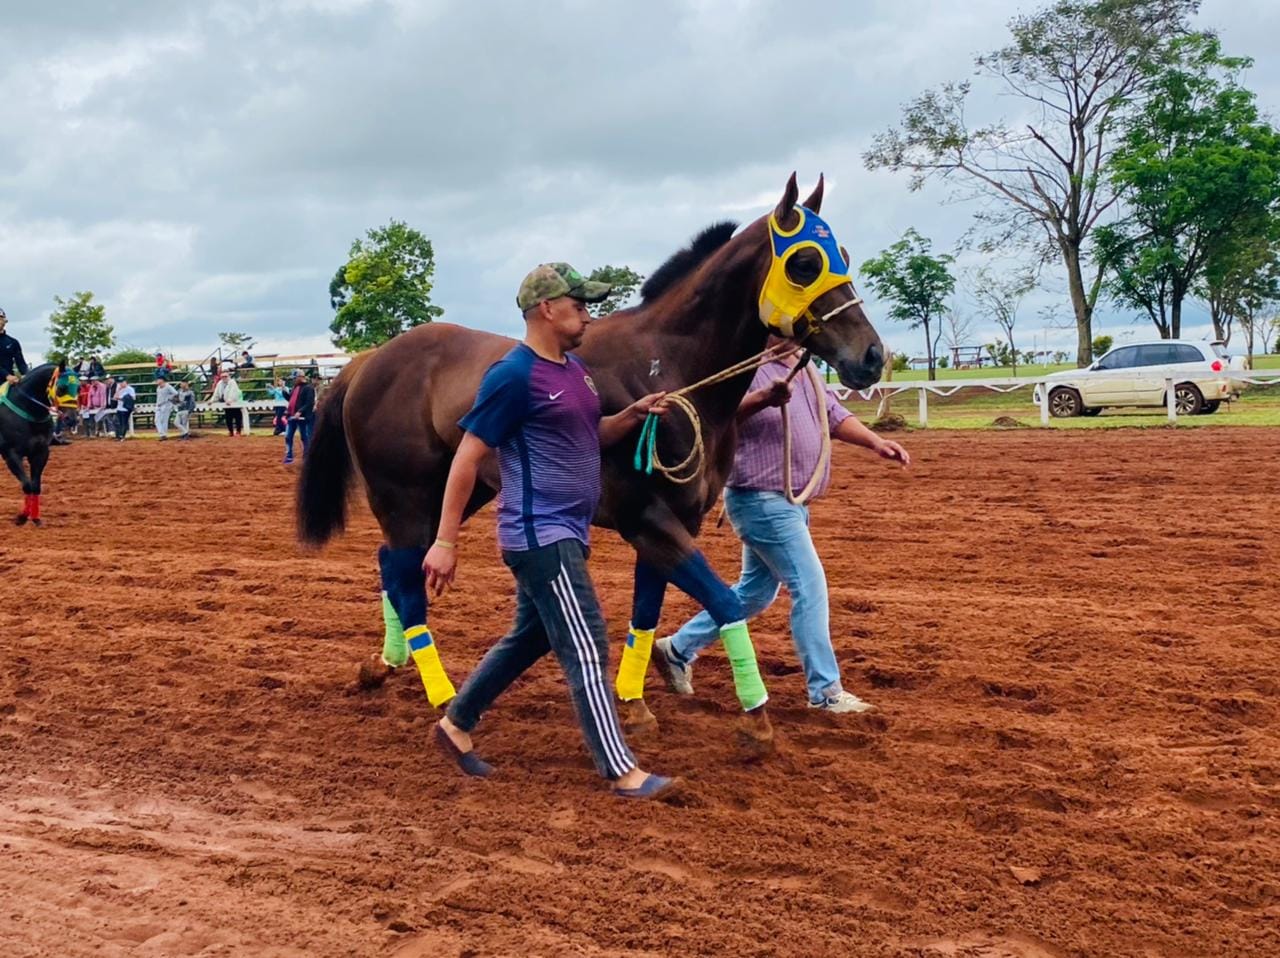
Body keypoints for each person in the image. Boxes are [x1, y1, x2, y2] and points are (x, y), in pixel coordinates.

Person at [423, 262, 677, 799]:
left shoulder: (574, 372)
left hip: (566, 530)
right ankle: (620, 769)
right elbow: (468, 457)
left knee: (530, 637)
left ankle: (455, 724)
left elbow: (590, 434)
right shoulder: (512, 376)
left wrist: (631, 415)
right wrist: (446, 541)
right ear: (547, 308)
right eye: (580, 306)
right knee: (586, 643)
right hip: (540, 534)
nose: (588, 315)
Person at [652, 339, 911, 714]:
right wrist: (761, 399)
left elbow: (834, 414)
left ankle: (676, 649)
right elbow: (715, 419)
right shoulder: (745, 365)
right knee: (809, 586)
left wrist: (875, 441)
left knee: (755, 594)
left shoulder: (802, 365)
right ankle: (825, 691)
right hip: (762, 500)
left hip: (785, 502)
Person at [282, 371, 314, 464]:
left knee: (305, 437)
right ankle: (289, 456)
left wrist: (300, 411)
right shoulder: (295, 388)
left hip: (302, 417)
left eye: (294, 378)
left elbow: (309, 402)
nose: (293, 380)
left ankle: (307, 457)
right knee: (288, 436)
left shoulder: (308, 388)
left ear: (300, 377)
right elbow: (290, 399)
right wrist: (284, 389)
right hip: (292, 416)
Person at [0, 308, 29, 383]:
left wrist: (27, 375)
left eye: (0, 318)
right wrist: (7, 375)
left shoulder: (13, 342)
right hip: (8, 377)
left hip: (8, 383)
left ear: (5, 321)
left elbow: (21, 363)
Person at [212, 371, 243, 436]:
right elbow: (216, 393)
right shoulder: (219, 383)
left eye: (225, 376)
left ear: (229, 376)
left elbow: (233, 392)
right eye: (222, 376)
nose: (224, 378)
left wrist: (230, 400)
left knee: (238, 418)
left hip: (235, 403)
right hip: (226, 404)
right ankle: (231, 432)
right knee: (228, 418)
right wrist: (212, 400)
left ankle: (238, 431)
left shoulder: (232, 382)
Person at [154, 375, 178, 441]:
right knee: (157, 420)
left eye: (158, 379)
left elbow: (176, 393)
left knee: (164, 420)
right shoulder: (158, 388)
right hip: (159, 405)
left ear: (162, 380)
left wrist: (169, 398)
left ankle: (163, 435)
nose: (157, 381)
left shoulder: (168, 387)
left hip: (166, 405)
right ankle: (163, 434)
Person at [112, 376, 136, 441]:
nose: (121, 384)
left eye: (122, 382)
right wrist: (119, 390)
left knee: (123, 422)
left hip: (126, 408)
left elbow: (133, 398)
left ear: (125, 382)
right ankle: (118, 435)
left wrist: (123, 398)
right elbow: (114, 397)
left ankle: (122, 436)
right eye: (120, 382)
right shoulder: (119, 389)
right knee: (116, 421)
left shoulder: (130, 389)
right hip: (119, 408)